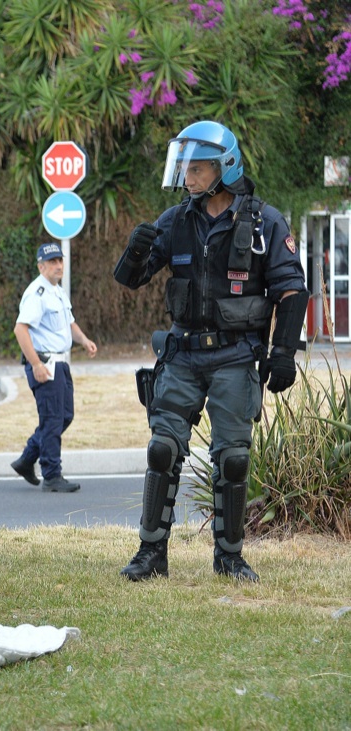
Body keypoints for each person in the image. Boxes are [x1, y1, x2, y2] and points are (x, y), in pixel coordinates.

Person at [113, 120, 307, 583]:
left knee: (234, 459)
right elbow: (130, 279)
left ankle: (230, 557)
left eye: (195, 168)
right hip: (182, 355)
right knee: (162, 450)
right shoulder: (176, 220)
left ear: (225, 167)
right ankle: (150, 553)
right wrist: (135, 252)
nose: (186, 176)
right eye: (183, 167)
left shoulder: (265, 221)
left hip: (236, 357)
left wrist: (283, 354)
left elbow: (292, 291)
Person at [10, 242, 98, 493]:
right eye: (52, 262)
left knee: (65, 416)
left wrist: (84, 341)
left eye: (60, 261)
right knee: (52, 419)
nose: (59, 265)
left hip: (60, 363)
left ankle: (27, 459)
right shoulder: (37, 292)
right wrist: (36, 364)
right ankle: (51, 475)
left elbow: (69, 323)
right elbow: (20, 329)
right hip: (45, 363)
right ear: (41, 266)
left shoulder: (57, 291)